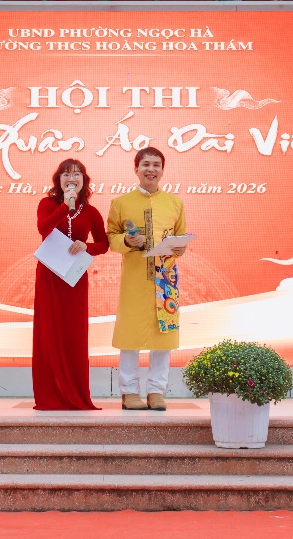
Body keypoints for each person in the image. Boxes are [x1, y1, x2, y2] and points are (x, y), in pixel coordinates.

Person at [106, 147, 188, 411]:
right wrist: (126, 241)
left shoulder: (175, 203)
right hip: (134, 279)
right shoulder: (121, 203)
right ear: (136, 169)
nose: (151, 169)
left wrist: (180, 248)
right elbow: (111, 237)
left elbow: (181, 237)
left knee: (163, 337)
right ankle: (129, 391)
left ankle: (156, 391)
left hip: (166, 278)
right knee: (130, 336)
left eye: (156, 165)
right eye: (146, 164)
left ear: (162, 170)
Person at [32, 158, 110, 411]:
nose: (71, 178)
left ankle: (75, 392)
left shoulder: (91, 212)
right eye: (66, 174)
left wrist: (86, 246)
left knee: (74, 334)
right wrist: (65, 206)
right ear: (59, 180)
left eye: (77, 174)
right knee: (48, 332)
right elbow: (43, 229)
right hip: (49, 276)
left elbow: (104, 244)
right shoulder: (47, 204)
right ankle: (49, 395)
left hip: (74, 278)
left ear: (84, 181)